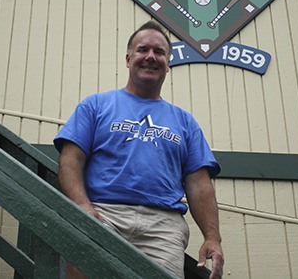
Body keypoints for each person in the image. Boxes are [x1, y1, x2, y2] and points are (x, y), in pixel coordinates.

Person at [54, 21, 224, 278]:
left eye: (159, 52)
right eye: (143, 49)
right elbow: (70, 161)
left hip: (163, 228)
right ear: (128, 58)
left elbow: (200, 184)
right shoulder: (95, 105)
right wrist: (83, 207)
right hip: (103, 214)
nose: (150, 57)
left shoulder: (185, 122)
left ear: (168, 62)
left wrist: (213, 238)